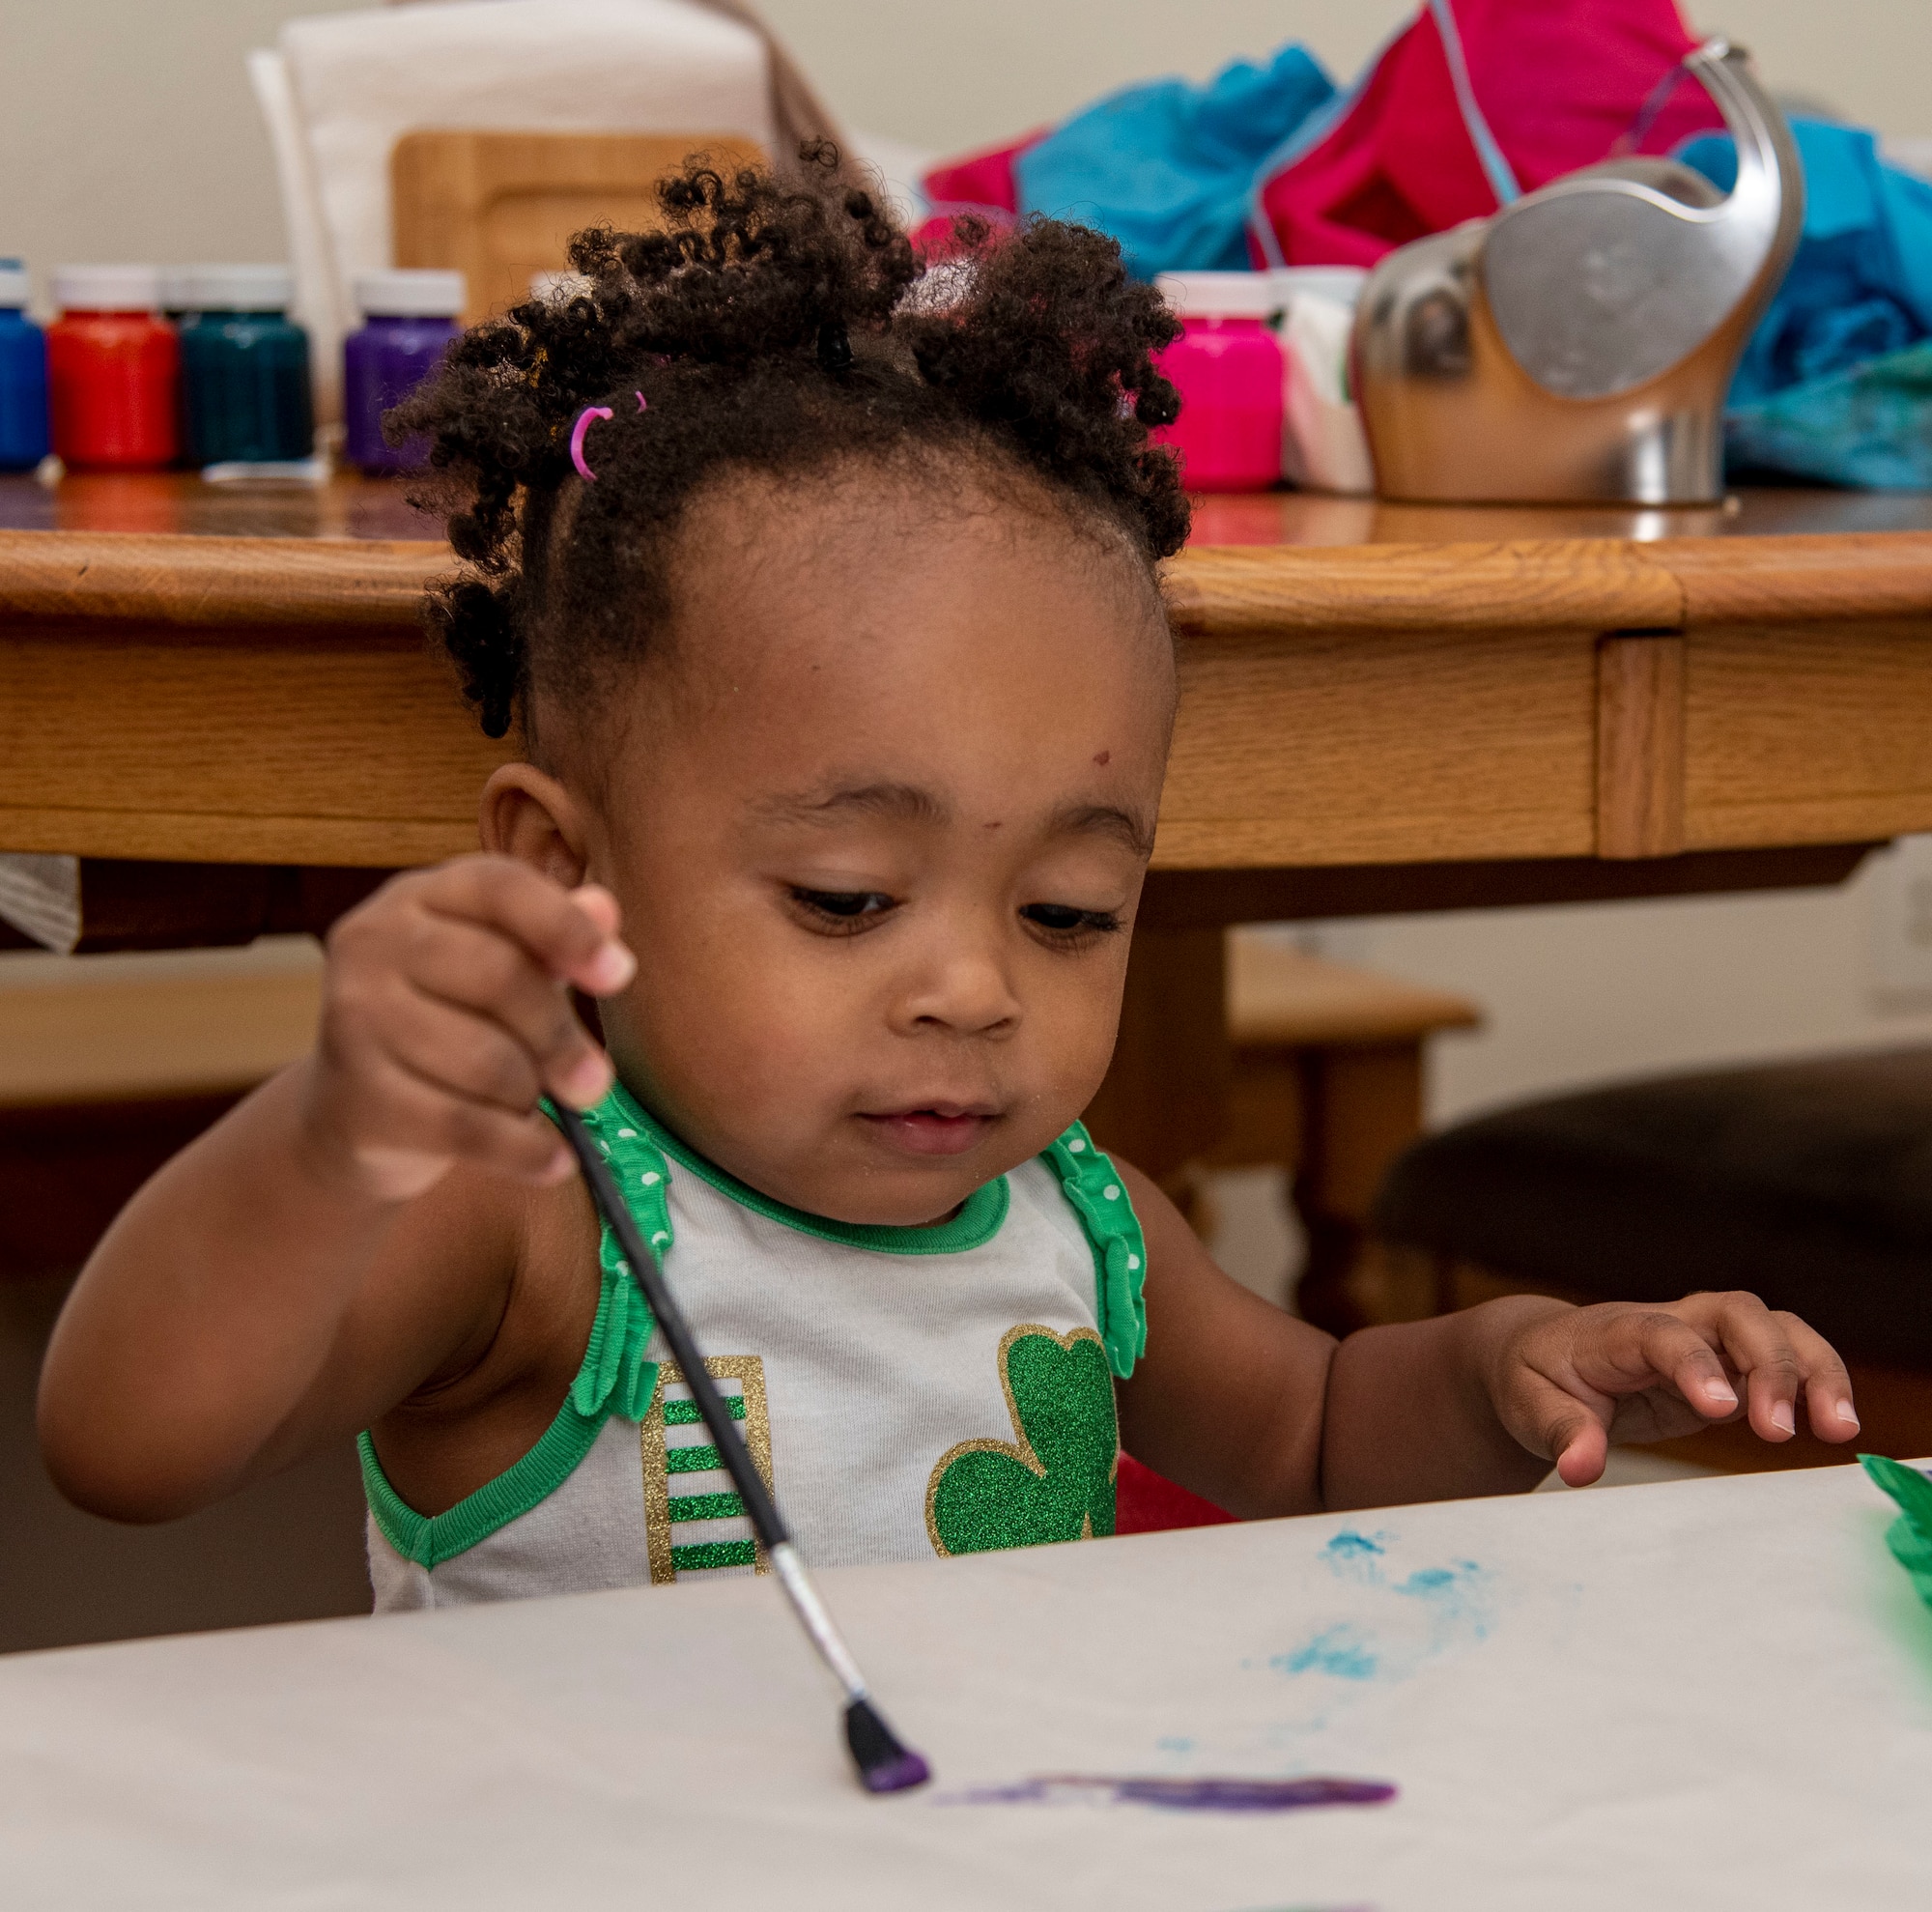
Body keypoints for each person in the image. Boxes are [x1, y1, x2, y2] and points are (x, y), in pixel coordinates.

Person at [39, 152, 1860, 1607]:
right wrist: (339, 1130)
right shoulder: (532, 1220)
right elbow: (124, 1447)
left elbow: (1310, 1432)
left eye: (1069, 914)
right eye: (844, 897)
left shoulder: (1071, 1216)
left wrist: (1509, 1370)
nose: (976, 990)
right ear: (559, 870)